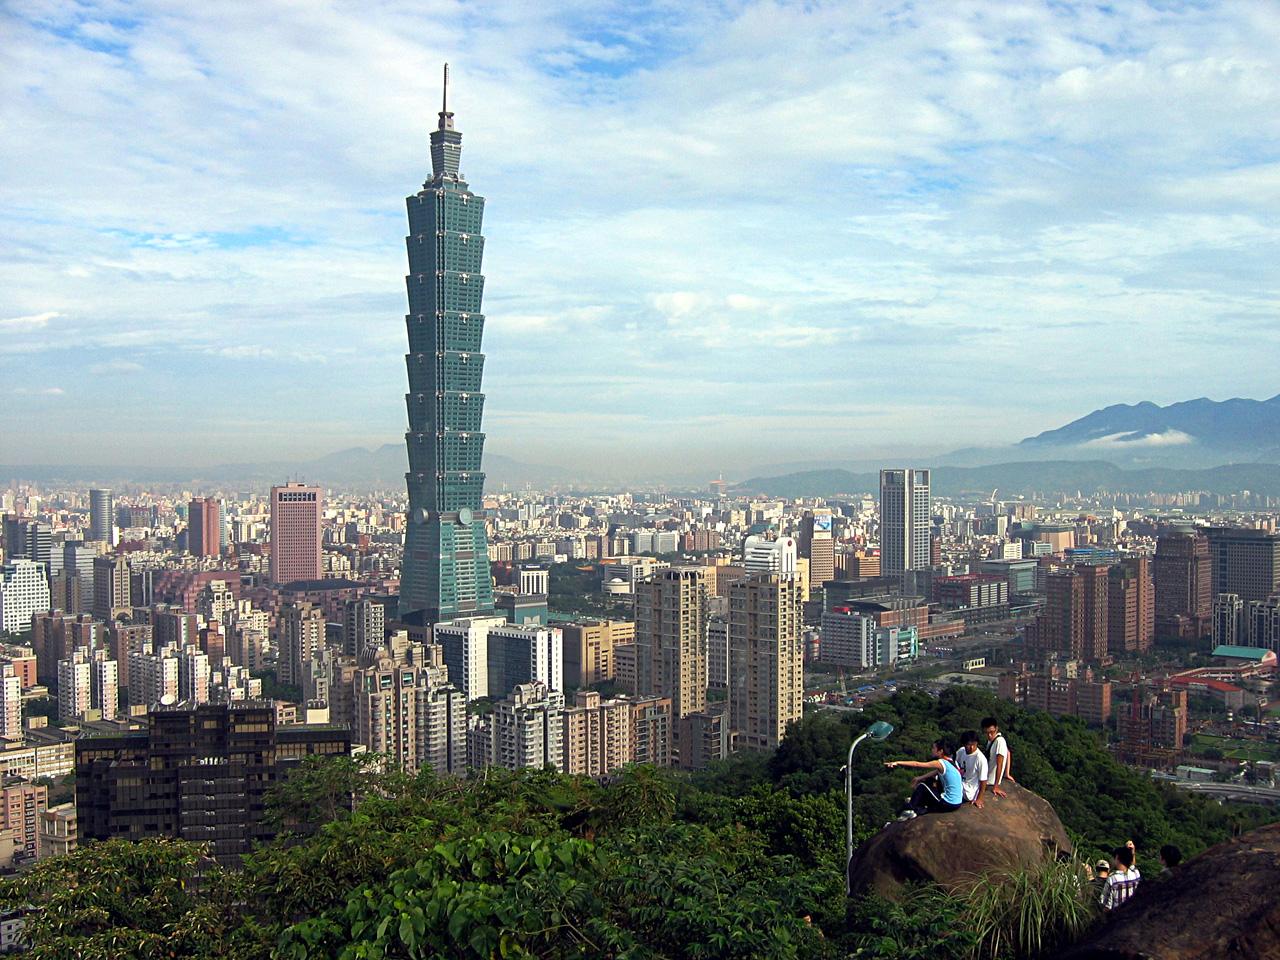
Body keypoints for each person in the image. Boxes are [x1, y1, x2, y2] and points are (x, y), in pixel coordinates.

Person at [884, 739, 964, 820]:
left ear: (940, 751)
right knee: (929, 781)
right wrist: (919, 778)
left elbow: (917, 764)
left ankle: (910, 809)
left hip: (948, 803)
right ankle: (918, 806)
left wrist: (897, 762)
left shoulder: (940, 762)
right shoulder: (951, 762)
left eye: (933, 748)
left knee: (922, 786)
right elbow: (936, 772)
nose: (932, 750)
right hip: (957, 803)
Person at [1100, 844, 1141, 911]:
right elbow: (1132, 866)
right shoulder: (1136, 874)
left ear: (1117, 857)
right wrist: (1132, 851)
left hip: (1118, 918)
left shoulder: (1113, 878)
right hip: (1135, 916)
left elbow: (1105, 904)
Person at [981, 717, 1013, 799]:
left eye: (992, 732)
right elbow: (1008, 752)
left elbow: (1000, 764)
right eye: (987, 733)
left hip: (990, 782)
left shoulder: (999, 741)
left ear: (996, 728)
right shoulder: (991, 741)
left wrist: (996, 786)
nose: (989, 735)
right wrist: (1007, 773)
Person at [955, 730, 989, 808]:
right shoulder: (961, 751)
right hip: (960, 782)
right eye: (969, 745)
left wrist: (979, 798)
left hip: (969, 791)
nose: (971, 747)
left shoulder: (980, 759)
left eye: (974, 744)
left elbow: (983, 780)